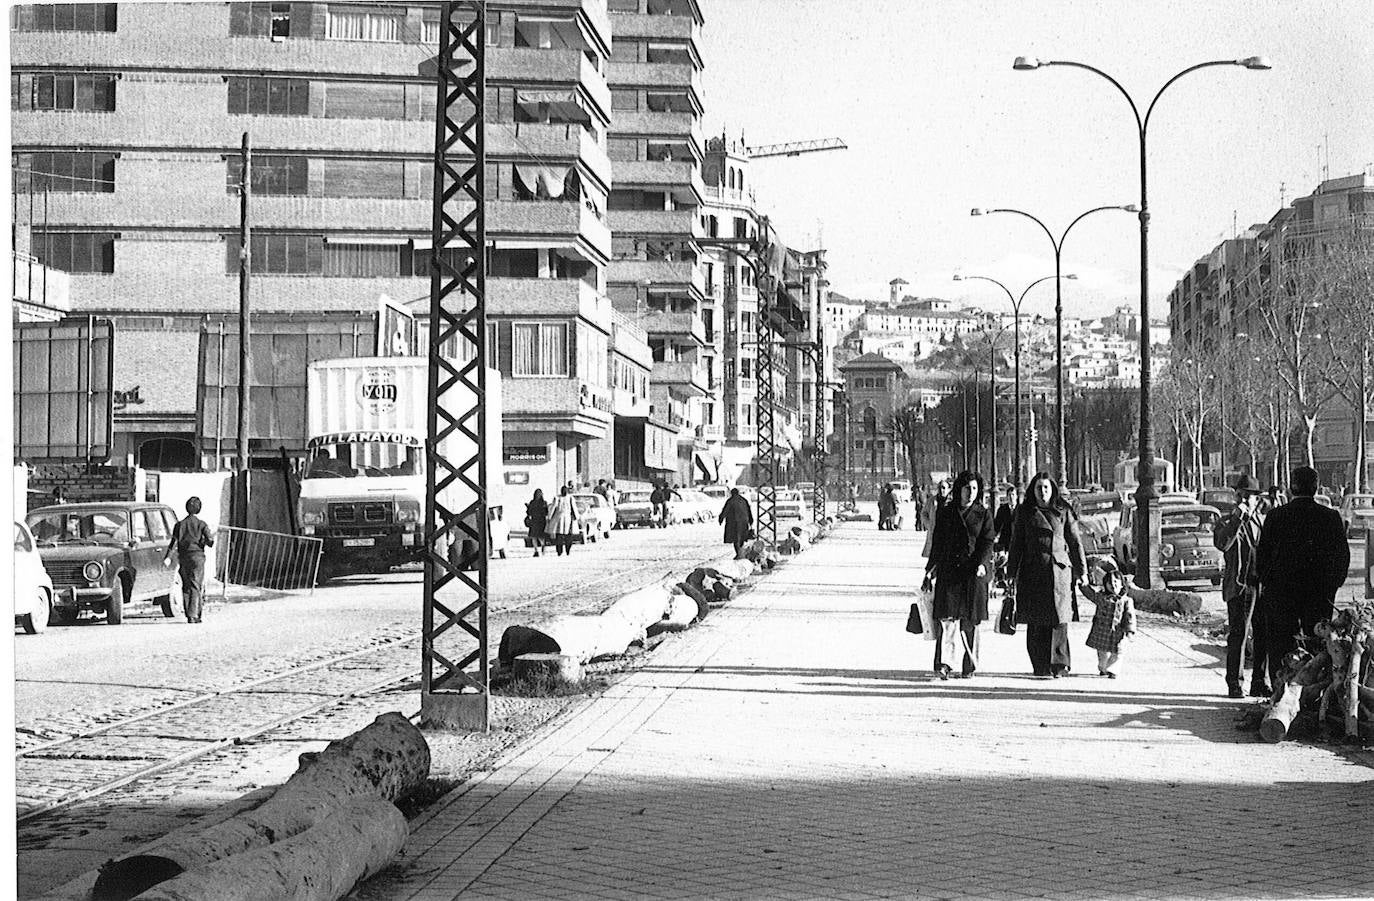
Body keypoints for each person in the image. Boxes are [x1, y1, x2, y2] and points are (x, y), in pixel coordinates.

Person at [1251, 466, 1350, 689]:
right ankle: (1315, 689)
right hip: (1318, 594)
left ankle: (1281, 688)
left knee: (1280, 643)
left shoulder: (1276, 516)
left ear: (1291, 487)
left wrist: (1269, 583)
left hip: (1282, 593)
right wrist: (1332, 586)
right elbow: (1342, 557)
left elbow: (1262, 556)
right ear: (1316, 488)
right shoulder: (1330, 517)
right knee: (1317, 644)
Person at [1006, 472, 1087, 678]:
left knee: (1059, 619)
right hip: (1033, 570)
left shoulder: (1064, 511)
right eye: (1039, 488)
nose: (1042, 492)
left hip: (1059, 571)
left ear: (1052, 490)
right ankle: (1040, 664)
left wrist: (1082, 571)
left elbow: (1075, 542)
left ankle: (1059, 664)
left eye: (1046, 488)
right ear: (1033, 491)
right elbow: (1016, 544)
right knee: (1036, 620)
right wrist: (1010, 572)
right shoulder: (1024, 512)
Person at [922, 470, 995, 679]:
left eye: (974, 488)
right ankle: (944, 664)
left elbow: (987, 541)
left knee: (970, 621)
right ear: (958, 490)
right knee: (947, 620)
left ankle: (969, 664)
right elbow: (938, 542)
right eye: (966, 488)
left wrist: (982, 563)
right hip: (949, 571)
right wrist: (930, 569)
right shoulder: (946, 512)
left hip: (973, 572)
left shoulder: (983, 514)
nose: (970, 493)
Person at [1213, 474, 1266, 698]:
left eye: (1250, 497)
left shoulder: (1261, 522)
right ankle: (1234, 683)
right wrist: (1237, 519)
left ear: (1257, 499)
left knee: (1262, 634)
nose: (1245, 500)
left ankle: (1259, 681)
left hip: (1260, 585)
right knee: (1239, 634)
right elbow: (1223, 544)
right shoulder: (1226, 521)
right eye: (1242, 496)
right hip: (1239, 585)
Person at [1082, 557, 1136, 678]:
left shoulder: (1126, 601)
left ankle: (1113, 669)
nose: (1113, 585)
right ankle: (1103, 667)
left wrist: (1130, 631)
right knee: (1102, 651)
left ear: (1122, 585)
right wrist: (1083, 584)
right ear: (1105, 585)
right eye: (1110, 583)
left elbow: (1130, 617)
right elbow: (1089, 594)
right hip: (1102, 631)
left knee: (1118, 651)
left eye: (1116, 582)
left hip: (1118, 631)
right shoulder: (1101, 598)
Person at [163, 496, 215, 623]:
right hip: (197, 557)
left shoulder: (179, 525)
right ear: (199, 509)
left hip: (183, 557)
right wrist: (203, 541)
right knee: (196, 585)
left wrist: (168, 557)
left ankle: (188, 613)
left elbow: (173, 542)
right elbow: (210, 541)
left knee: (186, 585)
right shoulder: (202, 524)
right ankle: (194, 615)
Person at [719, 487, 754, 557]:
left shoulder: (730, 501)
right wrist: (751, 520)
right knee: (742, 538)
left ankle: (739, 554)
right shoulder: (744, 500)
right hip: (744, 522)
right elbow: (749, 511)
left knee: (736, 539)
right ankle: (740, 552)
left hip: (734, 523)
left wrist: (721, 519)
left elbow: (725, 510)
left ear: (732, 493)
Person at [547, 486, 581, 556]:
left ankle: (559, 551)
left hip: (558, 518)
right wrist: (577, 517)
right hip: (567, 518)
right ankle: (567, 550)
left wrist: (549, 517)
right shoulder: (570, 498)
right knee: (568, 535)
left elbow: (553, 507)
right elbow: (574, 508)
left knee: (559, 535)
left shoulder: (557, 498)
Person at [524, 489, 549, 557]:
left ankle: (536, 551)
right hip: (541, 521)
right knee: (541, 536)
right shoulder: (544, 503)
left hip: (534, 521)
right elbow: (546, 512)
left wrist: (528, 506)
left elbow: (529, 512)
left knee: (534, 537)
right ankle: (543, 545)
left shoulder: (532, 502)